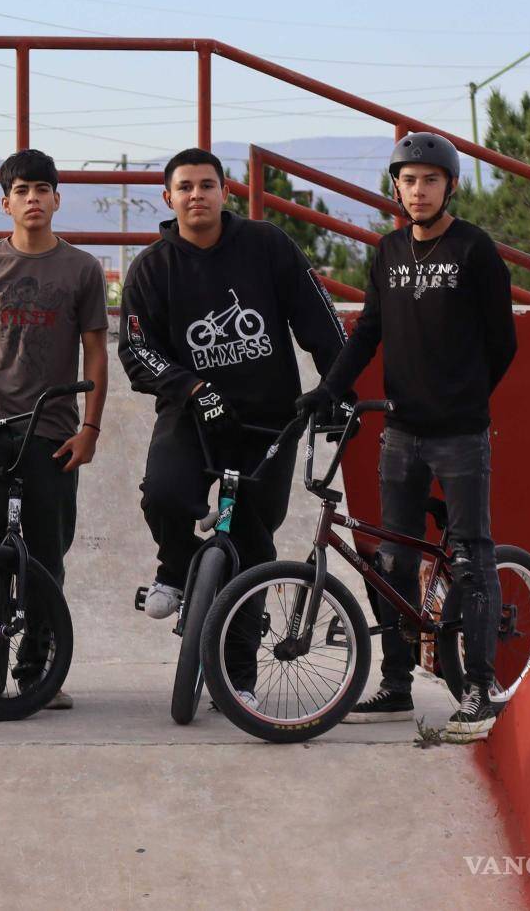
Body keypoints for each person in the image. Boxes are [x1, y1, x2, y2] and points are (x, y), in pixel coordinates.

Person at [300, 132, 517, 742]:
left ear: (450, 185)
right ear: (394, 186)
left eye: (429, 179)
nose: (417, 190)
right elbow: (367, 331)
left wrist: (467, 396)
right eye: (407, 179)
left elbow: (503, 341)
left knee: (472, 556)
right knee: (391, 555)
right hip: (399, 432)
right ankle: (396, 683)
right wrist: (329, 388)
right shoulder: (389, 250)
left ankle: (478, 688)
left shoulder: (475, 250)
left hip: (459, 435)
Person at [117, 147, 346, 710]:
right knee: (166, 495)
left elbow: (321, 322)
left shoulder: (267, 247)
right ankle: (173, 567)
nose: (197, 195)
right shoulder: (151, 267)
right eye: (185, 187)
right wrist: (194, 389)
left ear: (226, 193)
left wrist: (338, 393)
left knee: (251, 542)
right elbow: (136, 349)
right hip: (191, 416)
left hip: (269, 422)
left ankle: (238, 678)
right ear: (168, 199)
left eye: (208, 185)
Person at [0, 148, 108, 713]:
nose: (33, 199)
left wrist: (90, 428)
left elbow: (94, 351)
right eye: (22, 190)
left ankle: (40, 672)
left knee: (45, 557)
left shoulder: (82, 269)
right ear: (5, 202)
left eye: (43, 189)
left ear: (58, 199)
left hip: (55, 431)